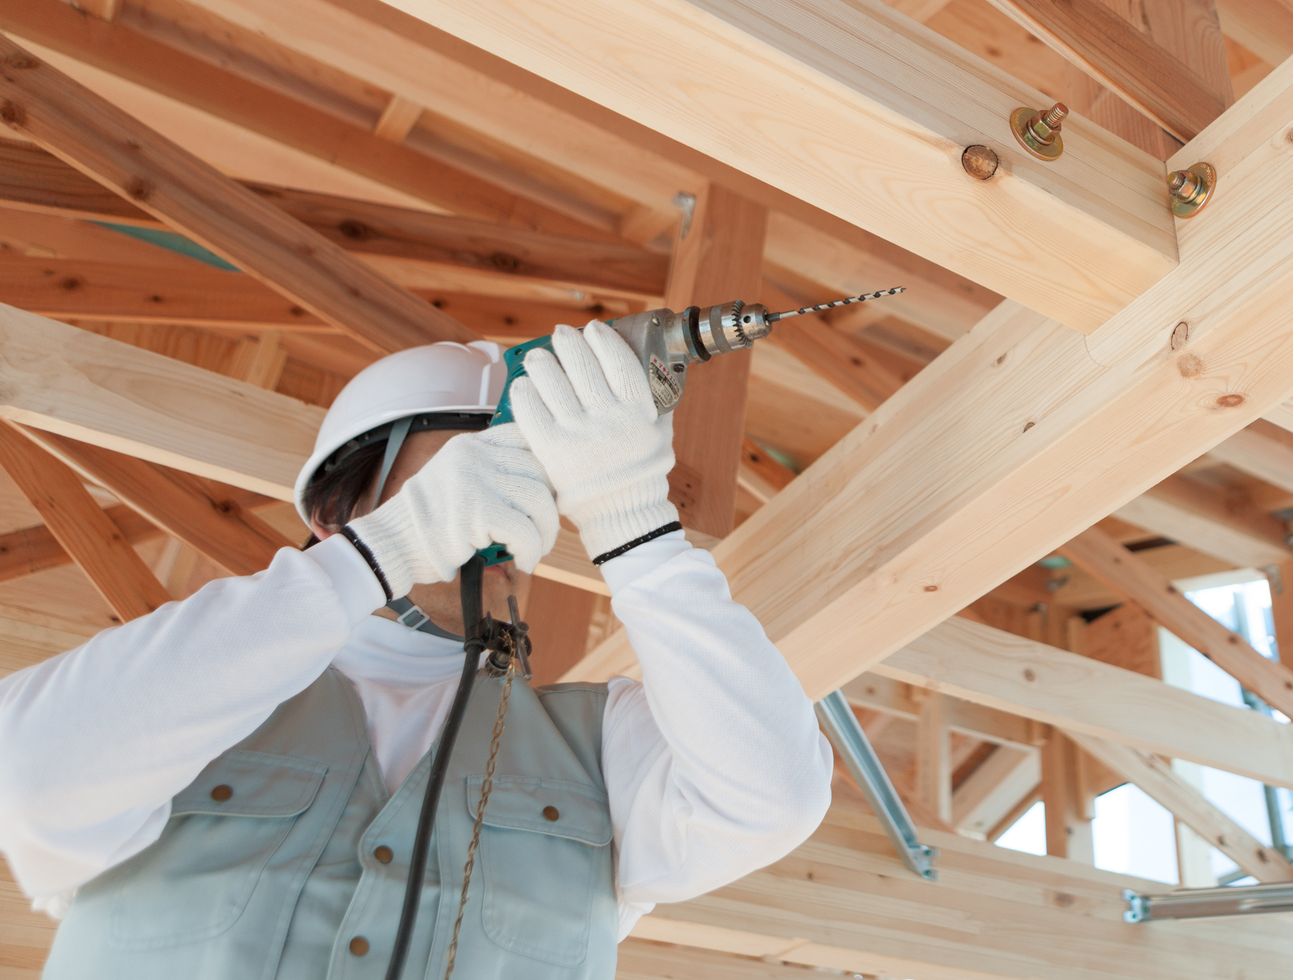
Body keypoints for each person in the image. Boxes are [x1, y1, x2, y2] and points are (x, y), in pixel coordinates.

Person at [0, 323, 831, 977]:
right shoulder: (189, 708)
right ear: (337, 510)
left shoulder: (603, 756)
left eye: (538, 485)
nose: (514, 513)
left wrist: (632, 521)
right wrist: (383, 551)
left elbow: (774, 797)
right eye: (474, 475)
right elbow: (29, 767)